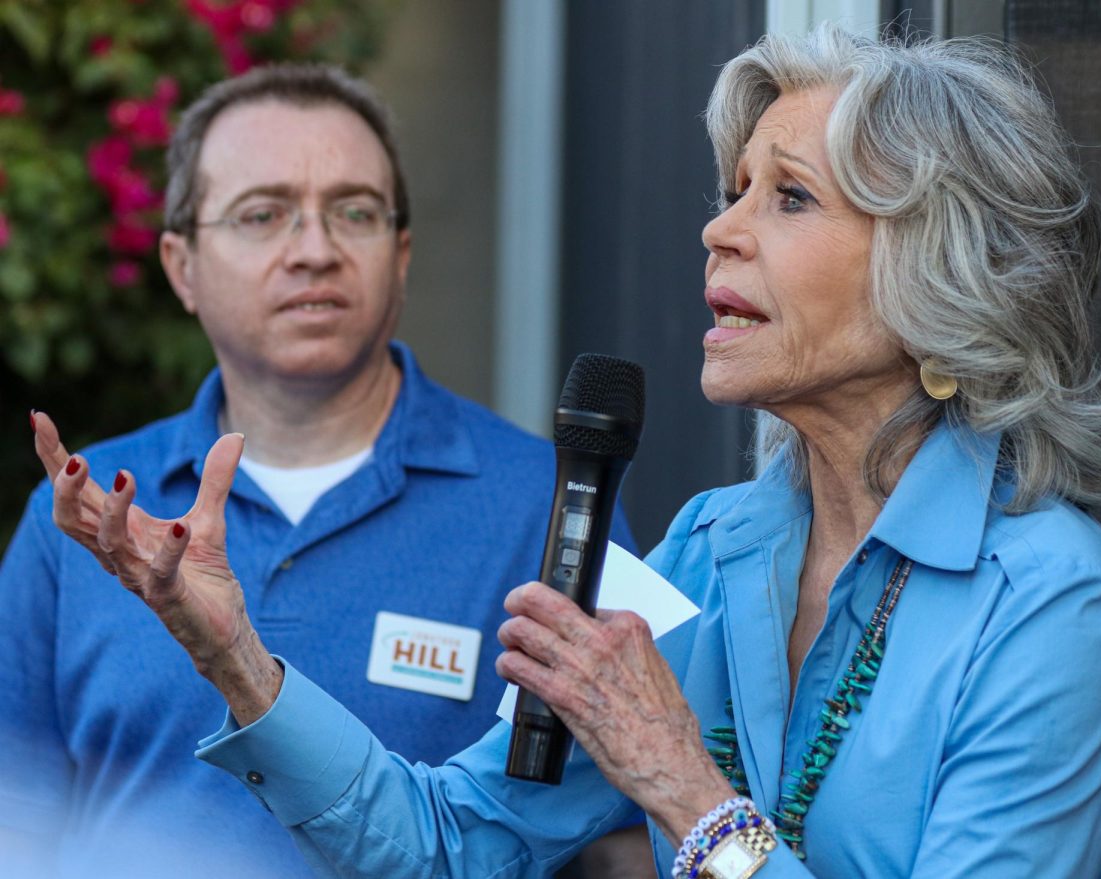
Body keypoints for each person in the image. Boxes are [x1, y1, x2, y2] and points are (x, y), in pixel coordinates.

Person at [30, 25, 1101, 879]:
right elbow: (447, 841)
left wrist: (681, 785)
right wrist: (236, 658)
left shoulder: (1058, 607)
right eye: (733, 191)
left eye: (788, 198)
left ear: (939, 271)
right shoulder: (704, 549)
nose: (718, 228)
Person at [0, 65, 646, 879]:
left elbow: (620, 842)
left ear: (401, 253)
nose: (314, 250)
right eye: (263, 214)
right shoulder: (87, 516)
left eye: (354, 211)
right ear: (181, 265)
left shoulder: (544, 505)